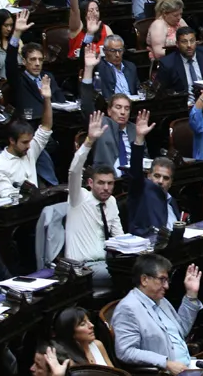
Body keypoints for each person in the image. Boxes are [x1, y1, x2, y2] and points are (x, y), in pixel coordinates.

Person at [111, 253, 203, 374]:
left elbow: (182, 330)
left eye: (167, 280)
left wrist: (191, 294)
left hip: (188, 366)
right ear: (144, 279)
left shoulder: (161, 300)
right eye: (162, 279)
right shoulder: (128, 308)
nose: (166, 286)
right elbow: (126, 351)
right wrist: (166, 363)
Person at [66, 112, 123, 288]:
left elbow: (119, 238)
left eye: (110, 183)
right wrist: (89, 141)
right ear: (90, 183)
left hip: (107, 263)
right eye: (101, 183)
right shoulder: (78, 197)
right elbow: (74, 170)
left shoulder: (112, 201)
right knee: (129, 276)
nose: (106, 188)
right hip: (82, 267)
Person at [0, 79, 53, 198]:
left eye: (30, 141)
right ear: (12, 140)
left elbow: (46, 127)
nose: (29, 146)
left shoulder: (30, 150)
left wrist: (47, 99)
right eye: (24, 142)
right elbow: (7, 197)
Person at [6, 10, 73, 118]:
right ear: (24, 61)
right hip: (30, 125)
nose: (37, 63)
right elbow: (10, 62)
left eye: (40, 59)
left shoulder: (47, 77)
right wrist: (17, 33)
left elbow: (61, 101)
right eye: (32, 59)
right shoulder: (18, 79)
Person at [79, 46, 134, 176]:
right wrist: (88, 69)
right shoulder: (101, 124)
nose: (123, 112)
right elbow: (87, 105)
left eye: (127, 109)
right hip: (109, 181)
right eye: (118, 107)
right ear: (109, 111)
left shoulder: (135, 129)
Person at [126, 111, 182, 235]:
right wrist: (139, 138)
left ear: (171, 182)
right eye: (157, 176)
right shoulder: (141, 191)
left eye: (166, 178)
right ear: (149, 176)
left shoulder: (171, 201)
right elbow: (135, 172)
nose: (161, 181)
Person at [155, 27, 203, 99]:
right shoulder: (167, 63)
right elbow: (162, 93)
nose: (189, 45)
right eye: (184, 42)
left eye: (192, 41)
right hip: (183, 105)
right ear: (177, 44)